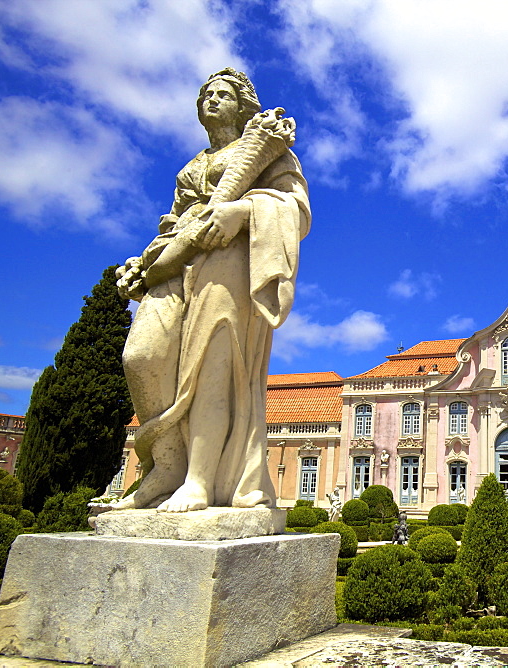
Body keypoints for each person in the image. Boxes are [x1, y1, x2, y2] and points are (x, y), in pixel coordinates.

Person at [114, 68, 310, 512]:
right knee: (142, 356)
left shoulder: (268, 151)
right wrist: (145, 263)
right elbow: (171, 226)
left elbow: (296, 211)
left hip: (231, 263)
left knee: (212, 370)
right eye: (206, 93)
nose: (211, 99)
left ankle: (199, 481)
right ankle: (166, 464)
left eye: (223, 93)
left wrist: (243, 211)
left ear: (244, 106)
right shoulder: (193, 169)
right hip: (178, 266)